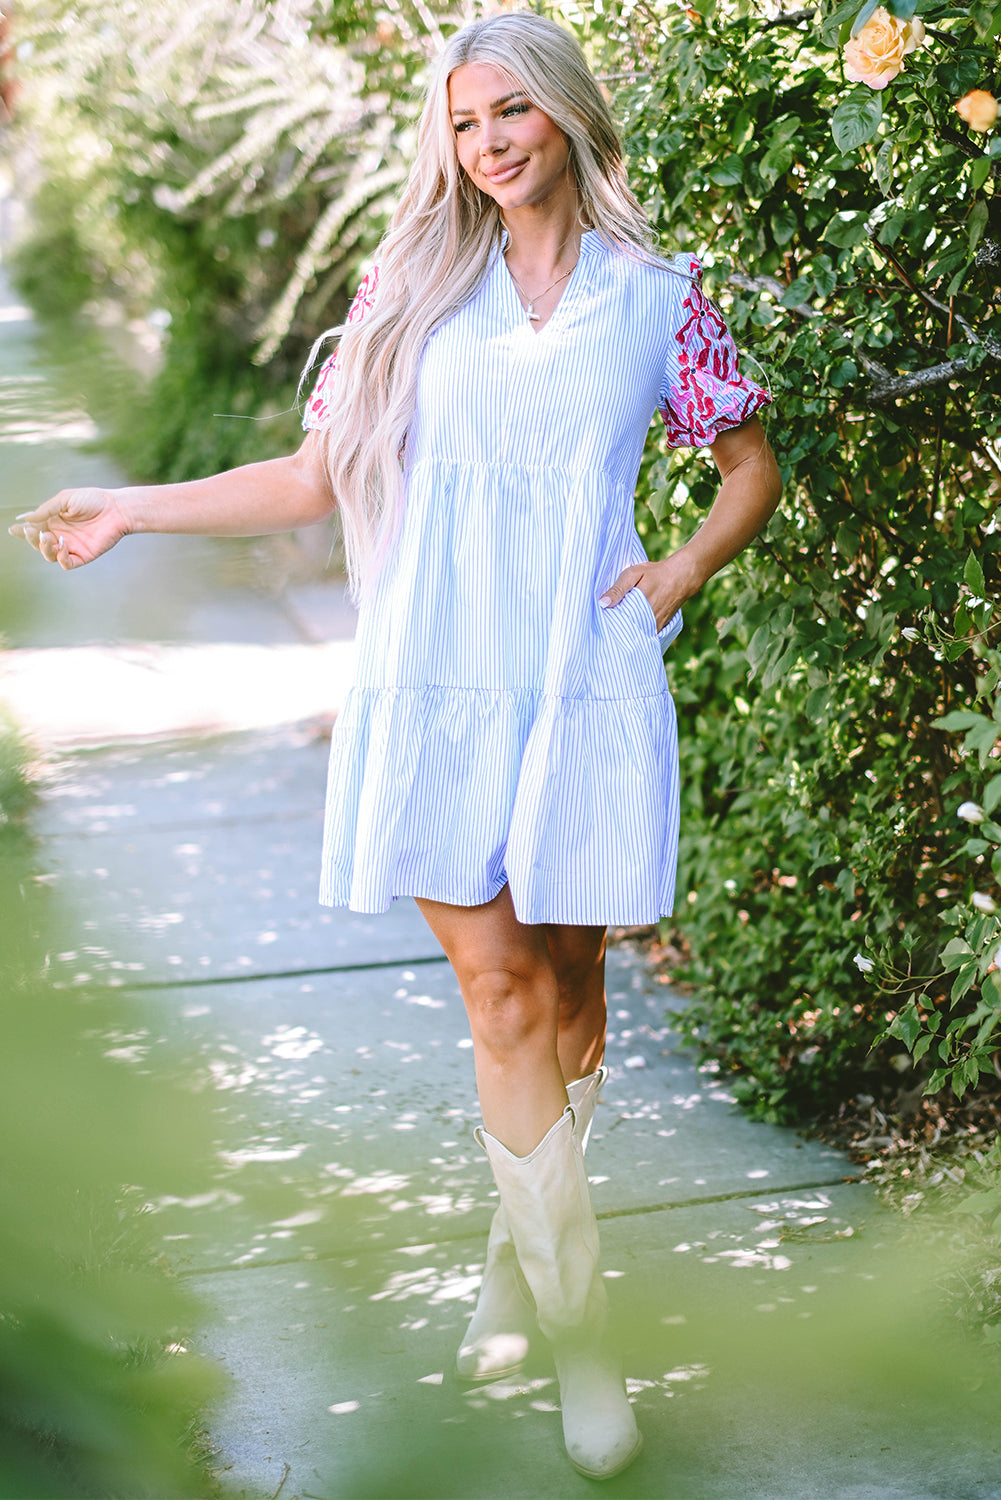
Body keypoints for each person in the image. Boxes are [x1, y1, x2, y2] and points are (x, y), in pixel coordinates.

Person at [10, 10, 781, 1481]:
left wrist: (673, 575)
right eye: (464, 121)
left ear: (563, 118)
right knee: (498, 996)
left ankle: (519, 1255)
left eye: (511, 114)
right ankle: (582, 1341)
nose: (486, 143)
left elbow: (744, 466)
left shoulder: (660, 298)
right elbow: (310, 476)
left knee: (568, 999)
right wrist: (133, 505)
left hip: (584, 680)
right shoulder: (412, 288)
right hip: (434, 677)